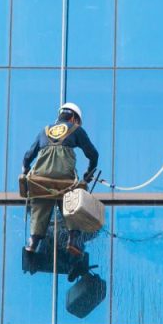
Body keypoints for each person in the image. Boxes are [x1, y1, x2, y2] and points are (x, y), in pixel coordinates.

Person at [21, 103, 99, 258]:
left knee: (40, 203)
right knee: (72, 204)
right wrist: (89, 173)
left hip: (40, 177)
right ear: (73, 118)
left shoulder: (44, 131)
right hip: (65, 177)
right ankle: (73, 240)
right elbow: (93, 154)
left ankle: (33, 242)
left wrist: (25, 170)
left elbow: (28, 156)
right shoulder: (76, 129)